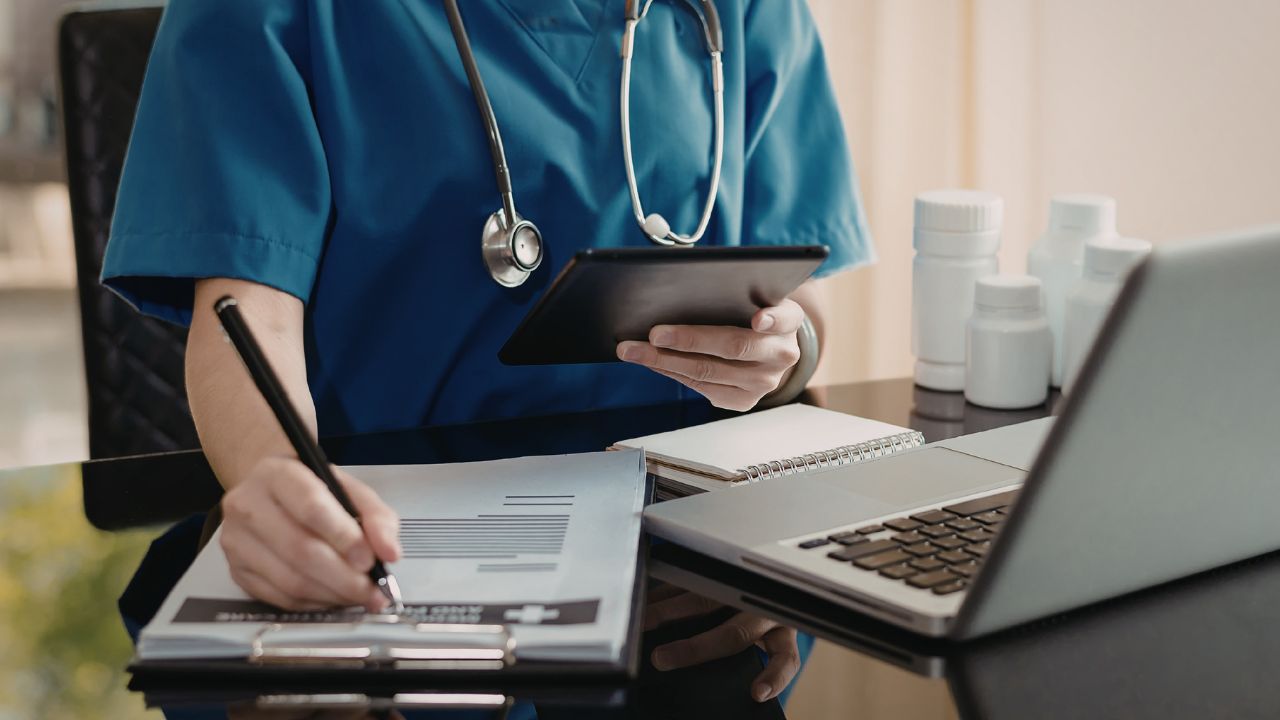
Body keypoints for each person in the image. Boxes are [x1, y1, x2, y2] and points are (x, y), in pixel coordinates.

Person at [102, 0, 872, 703]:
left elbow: (801, 299)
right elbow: (245, 306)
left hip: (691, 576)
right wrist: (275, 475)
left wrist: (786, 351)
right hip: (389, 552)